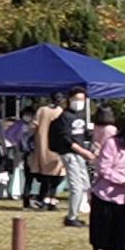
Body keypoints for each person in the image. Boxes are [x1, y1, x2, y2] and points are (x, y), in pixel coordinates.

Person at [87, 111, 125, 250]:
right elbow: (103, 168)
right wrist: (121, 179)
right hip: (105, 192)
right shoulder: (111, 143)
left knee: (121, 229)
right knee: (101, 226)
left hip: (124, 195)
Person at [50, 87, 96, 227]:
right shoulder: (65, 117)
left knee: (85, 185)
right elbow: (66, 139)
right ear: (69, 100)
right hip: (70, 153)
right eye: (76, 99)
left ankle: (80, 212)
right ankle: (71, 216)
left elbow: (83, 135)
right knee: (76, 186)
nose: (79, 102)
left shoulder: (80, 115)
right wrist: (83, 151)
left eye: (82, 99)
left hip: (80, 153)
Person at [26, 92, 66, 211]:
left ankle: (44, 200)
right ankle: (49, 200)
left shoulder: (42, 110)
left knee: (46, 177)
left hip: (43, 147)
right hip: (56, 147)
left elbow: (33, 126)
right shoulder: (61, 112)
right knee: (56, 176)